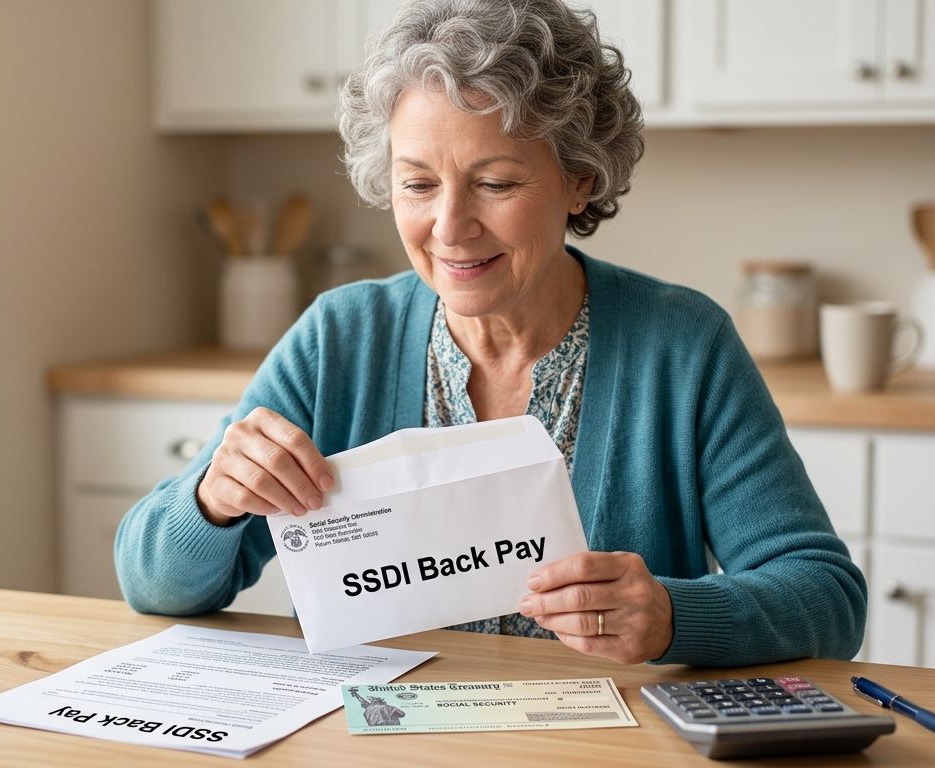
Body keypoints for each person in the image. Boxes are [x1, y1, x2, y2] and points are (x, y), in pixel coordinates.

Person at [115, 0, 866, 668]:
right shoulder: (339, 340)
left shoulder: (682, 345)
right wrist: (212, 501)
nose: (449, 227)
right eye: (417, 184)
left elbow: (827, 598)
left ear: (581, 179)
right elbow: (150, 584)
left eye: (496, 183)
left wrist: (673, 617)